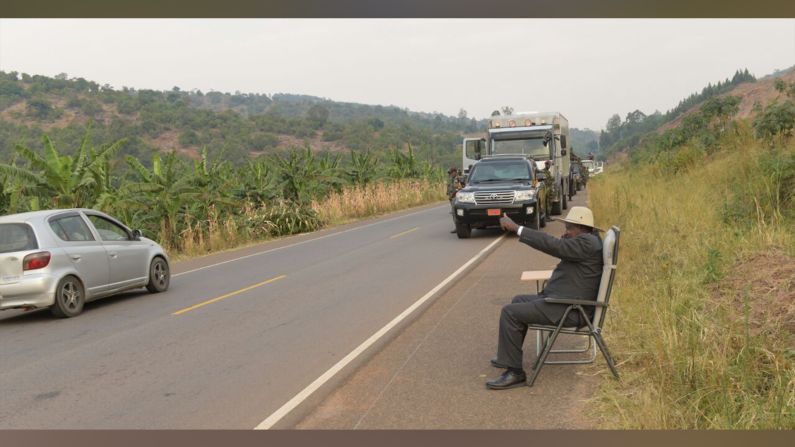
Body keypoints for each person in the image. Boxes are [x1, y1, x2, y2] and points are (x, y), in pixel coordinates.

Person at [485, 206, 603, 389]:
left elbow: (554, 245)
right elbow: (563, 249)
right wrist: (568, 239)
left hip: (568, 309)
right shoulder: (588, 242)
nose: (565, 233)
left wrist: (517, 228)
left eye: (569, 229)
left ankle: (515, 373)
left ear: (581, 228)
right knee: (518, 300)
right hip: (564, 302)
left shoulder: (587, 243)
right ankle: (508, 357)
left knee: (510, 313)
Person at [448, 167, 464, 233]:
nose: (450, 174)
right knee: (454, 213)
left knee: (455, 213)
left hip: (455, 197)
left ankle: (458, 227)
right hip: (453, 197)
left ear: (455, 172)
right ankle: (457, 227)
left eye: (451, 172)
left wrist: (452, 196)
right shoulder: (453, 179)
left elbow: (457, 189)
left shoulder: (457, 179)